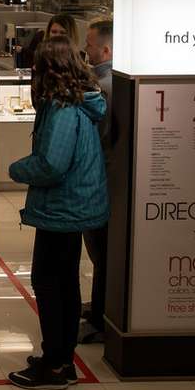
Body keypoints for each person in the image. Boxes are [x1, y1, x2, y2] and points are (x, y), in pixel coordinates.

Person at [7, 37, 108, 390]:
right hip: (73, 204)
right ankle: (61, 356)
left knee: (49, 283)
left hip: (64, 206)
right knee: (64, 282)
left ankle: (56, 364)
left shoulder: (63, 108)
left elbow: (52, 163)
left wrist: (17, 169)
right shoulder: (77, 102)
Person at [78, 18, 115, 344]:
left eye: (89, 45)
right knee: (98, 251)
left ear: (105, 49)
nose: (85, 50)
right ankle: (98, 307)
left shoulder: (105, 88)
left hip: (101, 181)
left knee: (102, 252)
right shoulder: (98, 82)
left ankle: (103, 316)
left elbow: (103, 138)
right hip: (98, 179)